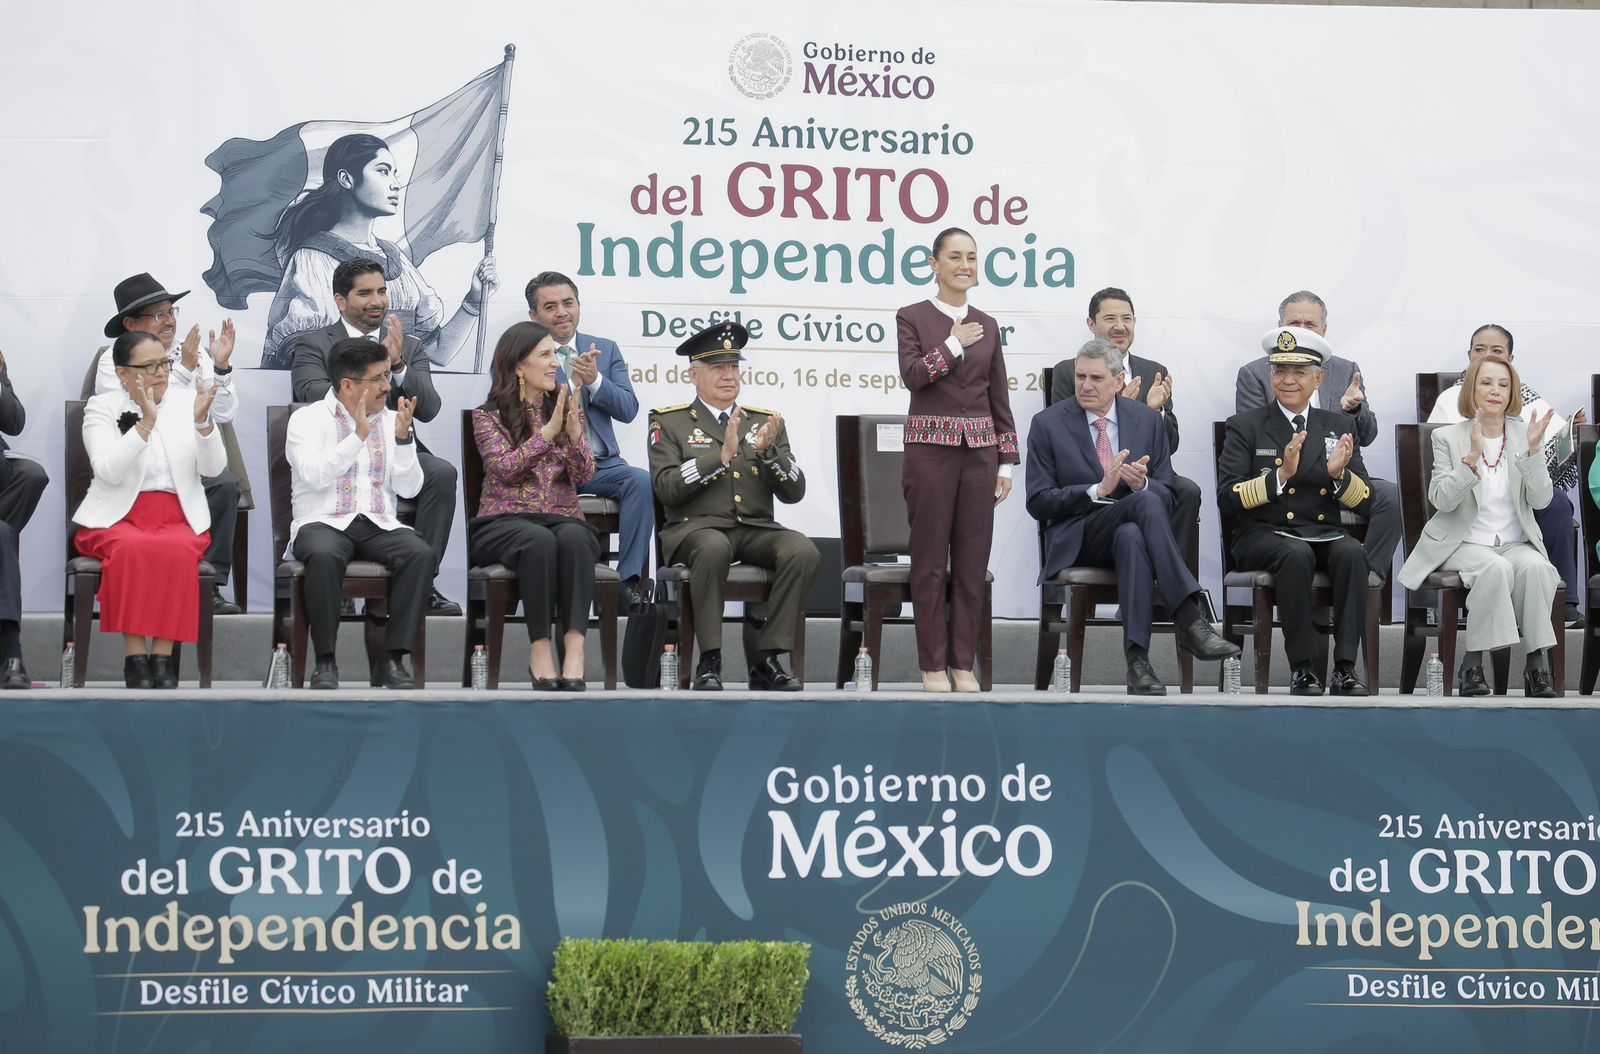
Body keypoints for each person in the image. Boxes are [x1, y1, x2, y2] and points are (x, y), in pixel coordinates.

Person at [1027, 339, 1239, 694]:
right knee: (1144, 505)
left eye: (1096, 378)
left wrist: (1143, 484)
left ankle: (1138, 664)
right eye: (1080, 376)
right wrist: (1097, 489)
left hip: (1132, 534)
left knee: (1133, 531)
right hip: (1080, 536)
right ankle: (1189, 618)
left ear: (1118, 381)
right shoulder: (1048, 423)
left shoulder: (1147, 420)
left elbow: (1169, 493)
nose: (1086, 385)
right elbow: (1038, 501)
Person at [287, 257, 461, 616]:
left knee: (441, 472)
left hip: (393, 447)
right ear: (341, 300)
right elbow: (308, 392)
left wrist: (397, 367)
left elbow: (428, 408)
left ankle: (421, 584)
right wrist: (368, 379)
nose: (377, 301)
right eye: (365, 293)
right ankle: (339, 586)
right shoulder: (314, 344)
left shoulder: (407, 345)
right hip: (339, 445)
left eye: (381, 291)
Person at [648, 322, 816, 691]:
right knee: (713, 546)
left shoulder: (764, 421)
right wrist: (719, 457)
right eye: (717, 368)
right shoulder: (669, 421)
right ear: (694, 375)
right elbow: (667, 488)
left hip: (754, 529)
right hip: (696, 530)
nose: (729, 375)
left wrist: (769, 454)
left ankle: (767, 658)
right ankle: (710, 658)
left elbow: (795, 491)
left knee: (802, 550)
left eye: (734, 367)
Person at [1218, 328, 1375, 696]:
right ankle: (1302, 668)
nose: (1288, 380)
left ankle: (1345, 669)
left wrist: (1338, 477)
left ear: (1318, 379)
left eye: (1299, 372)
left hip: (1322, 531)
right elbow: (1228, 498)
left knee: (1353, 553)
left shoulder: (1338, 426)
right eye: (1280, 371)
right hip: (1262, 533)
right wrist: (1280, 476)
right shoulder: (1246, 426)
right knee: (1295, 553)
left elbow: (1366, 501)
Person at [897, 227, 1018, 693]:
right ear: (934, 264)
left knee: (972, 562)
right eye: (954, 257)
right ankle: (933, 664)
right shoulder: (912, 316)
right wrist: (953, 344)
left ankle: (962, 663)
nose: (964, 265)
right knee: (929, 561)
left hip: (980, 457)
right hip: (929, 454)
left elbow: (998, 396)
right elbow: (913, 375)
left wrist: (1006, 463)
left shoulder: (988, 323)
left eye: (971, 256)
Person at [260, 133, 497, 369]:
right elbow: (306, 360)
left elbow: (438, 352)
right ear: (346, 179)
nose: (395, 184)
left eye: (394, 173)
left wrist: (473, 301)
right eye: (383, 171)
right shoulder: (314, 258)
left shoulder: (396, 259)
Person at [1400, 358, 1560, 697]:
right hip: (1463, 544)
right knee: (1495, 569)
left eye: (1503, 384)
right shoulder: (1447, 437)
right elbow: (1441, 500)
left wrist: (1534, 452)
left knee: (1537, 569)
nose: (1495, 391)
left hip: (1515, 543)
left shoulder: (1526, 434)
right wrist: (1470, 459)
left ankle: (1536, 666)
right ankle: (1471, 664)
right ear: (1471, 389)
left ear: (1513, 393)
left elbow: (1542, 500)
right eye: (1486, 382)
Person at [73, 331, 223, 688]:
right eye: (149, 366)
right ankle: (135, 658)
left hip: (177, 513)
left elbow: (215, 468)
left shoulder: (188, 401)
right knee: (131, 549)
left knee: (176, 549)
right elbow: (108, 471)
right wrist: (145, 423)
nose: (161, 373)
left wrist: (203, 424)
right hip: (118, 515)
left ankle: (162, 659)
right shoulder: (102, 407)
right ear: (123, 373)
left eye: (165, 364)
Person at [285, 337, 432, 689]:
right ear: (348, 385)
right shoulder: (306, 420)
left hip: (378, 522)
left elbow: (410, 489)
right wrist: (358, 436)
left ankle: (392, 660)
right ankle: (325, 661)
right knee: (323, 554)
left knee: (420, 554)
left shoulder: (393, 420)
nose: (387, 387)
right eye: (377, 379)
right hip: (322, 521)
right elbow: (314, 475)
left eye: (387, 376)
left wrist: (403, 441)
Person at [1235, 291, 1401, 589]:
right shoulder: (1256, 373)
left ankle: (1368, 576)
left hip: (1337, 474)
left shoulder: (1346, 370)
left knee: (1390, 496)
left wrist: (1355, 411)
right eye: (1294, 323)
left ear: (1324, 330)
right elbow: (1254, 432)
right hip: (1286, 476)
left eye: (1310, 324)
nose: (1302, 329)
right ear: (1280, 327)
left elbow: (1368, 435)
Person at [98, 273, 243, 614]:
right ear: (131, 324)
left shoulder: (190, 352)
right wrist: (184, 371)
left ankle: (206, 586)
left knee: (223, 484)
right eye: (159, 314)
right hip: (139, 462)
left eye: (171, 312)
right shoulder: (115, 360)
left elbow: (224, 413)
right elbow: (134, 412)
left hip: (187, 461)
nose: (169, 321)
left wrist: (220, 368)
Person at [1425, 323, 1587, 627]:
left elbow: (1551, 449)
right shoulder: (1451, 398)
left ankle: (1563, 602)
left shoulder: (1523, 396)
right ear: (1469, 355)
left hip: (1517, 495)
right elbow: (1439, 464)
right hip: (1470, 495)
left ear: (1510, 360)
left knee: (1557, 503)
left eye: (1497, 351)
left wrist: (1569, 434)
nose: (1487, 355)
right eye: (1480, 350)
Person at [470, 322, 601, 690]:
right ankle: (540, 647)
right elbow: (504, 469)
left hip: (562, 518)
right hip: (502, 522)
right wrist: (546, 434)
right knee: (538, 541)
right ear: (518, 366)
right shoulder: (487, 416)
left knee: (577, 539)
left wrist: (573, 436)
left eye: (554, 355)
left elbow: (584, 475)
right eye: (545, 355)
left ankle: (574, 648)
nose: (555, 363)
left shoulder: (566, 407)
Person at [525, 271, 652, 610]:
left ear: (578, 305)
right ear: (534, 316)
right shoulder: (524, 354)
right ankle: (553, 597)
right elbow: (513, 409)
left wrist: (595, 380)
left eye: (568, 303)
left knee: (641, 481)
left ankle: (627, 585)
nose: (561, 312)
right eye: (550, 306)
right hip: (551, 467)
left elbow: (628, 409)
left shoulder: (604, 350)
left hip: (601, 466)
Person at [1050, 287, 1201, 557]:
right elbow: (1064, 440)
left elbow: (1171, 445)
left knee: (1186, 491)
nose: (1120, 326)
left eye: (1127, 318)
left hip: (1141, 476)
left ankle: (1166, 570)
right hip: (1094, 472)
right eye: (1110, 319)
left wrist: (1153, 412)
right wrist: (1121, 409)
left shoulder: (1154, 372)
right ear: (1091, 324)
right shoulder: (1069, 372)